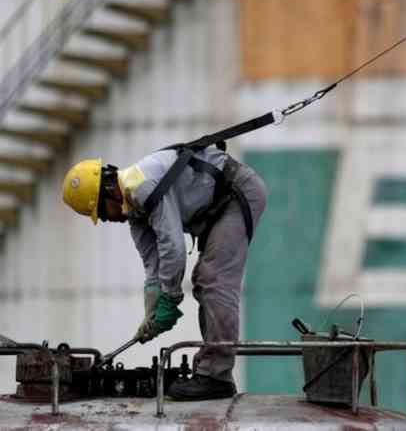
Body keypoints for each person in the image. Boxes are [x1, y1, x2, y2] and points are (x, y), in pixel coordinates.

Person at [61, 145, 267, 400]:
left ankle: (215, 376)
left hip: (236, 193)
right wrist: (151, 312)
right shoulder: (134, 210)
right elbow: (153, 265)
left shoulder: (143, 187)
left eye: (101, 213)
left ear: (108, 192)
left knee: (212, 279)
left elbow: (173, 246)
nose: (104, 220)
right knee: (206, 279)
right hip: (218, 204)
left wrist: (170, 299)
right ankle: (214, 372)